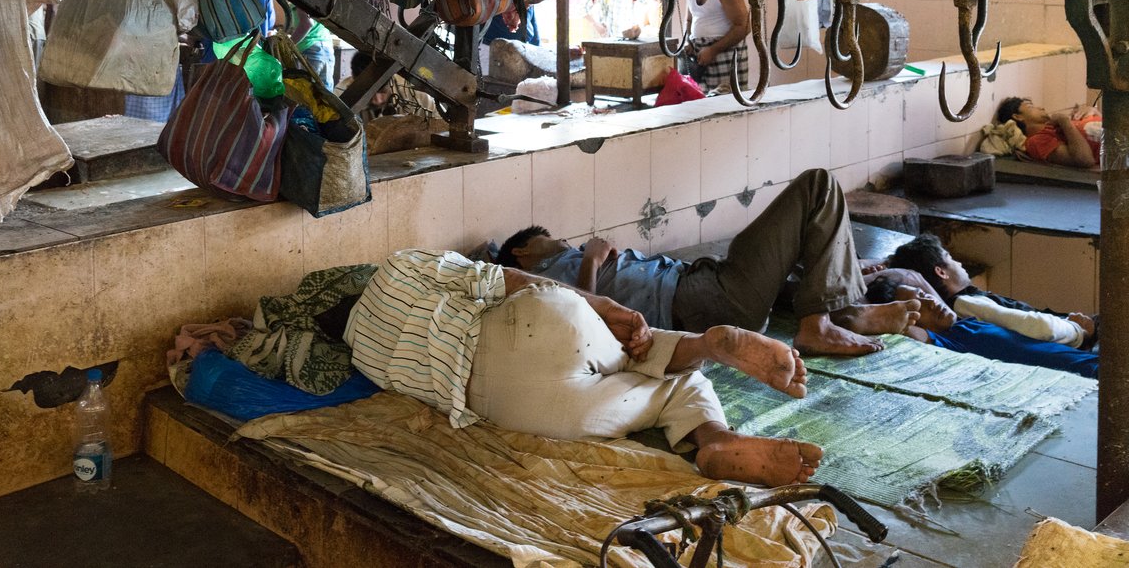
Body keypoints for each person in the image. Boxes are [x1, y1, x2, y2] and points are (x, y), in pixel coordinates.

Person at [345, 248, 823, 486]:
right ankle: (706, 364)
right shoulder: (397, 265)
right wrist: (599, 302)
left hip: (513, 405)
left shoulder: (360, 352)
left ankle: (715, 431)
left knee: (652, 396)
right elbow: (497, 278)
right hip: (534, 324)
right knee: (651, 359)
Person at [498, 168, 920, 357]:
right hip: (699, 300)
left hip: (702, 281)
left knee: (798, 243)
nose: (562, 242)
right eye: (549, 238)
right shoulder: (535, 279)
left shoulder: (562, 262)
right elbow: (582, 322)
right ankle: (820, 323)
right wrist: (590, 260)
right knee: (818, 186)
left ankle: (841, 307)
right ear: (523, 250)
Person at [864, 271, 1098, 378]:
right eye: (917, 302)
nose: (929, 300)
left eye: (924, 294)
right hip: (1091, 379)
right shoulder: (945, 342)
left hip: (1096, 363)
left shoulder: (966, 323)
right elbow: (880, 324)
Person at [884, 233, 1097, 350]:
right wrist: (1080, 332)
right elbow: (1037, 326)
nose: (958, 262)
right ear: (941, 272)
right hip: (1075, 341)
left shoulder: (962, 304)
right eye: (950, 258)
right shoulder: (965, 304)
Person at [996, 96, 1100, 168]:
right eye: (1031, 107)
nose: (1041, 107)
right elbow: (1085, 159)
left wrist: (1092, 110)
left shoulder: (1059, 125)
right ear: (1018, 116)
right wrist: (1064, 121)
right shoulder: (1036, 141)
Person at [335, 50, 438, 122]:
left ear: (392, 77)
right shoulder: (340, 96)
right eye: (369, 93)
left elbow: (439, 126)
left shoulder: (417, 96)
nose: (377, 100)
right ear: (353, 79)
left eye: (383, 91)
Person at [683, 0, 750, 91]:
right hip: (699, 58)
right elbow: (689, 19)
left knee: (727, 102)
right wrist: (687, 41)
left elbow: (744, 26)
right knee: (701, 103)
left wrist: (713, 50)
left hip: (726, 55)